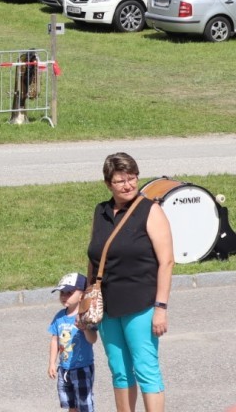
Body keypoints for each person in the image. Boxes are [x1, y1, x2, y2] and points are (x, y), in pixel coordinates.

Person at [86, 152, 173, 412]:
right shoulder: (101, 212)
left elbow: (167, 262)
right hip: (107, 307)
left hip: (141, 305)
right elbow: (94, 257)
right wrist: (87, 299)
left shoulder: (151, 211)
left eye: (132, 178)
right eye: (120, 181)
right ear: (108, 184)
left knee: (146, 369)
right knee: (120, 371)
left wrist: (161, 307)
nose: (128, 185)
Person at [47, 271, 98, 412]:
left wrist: (85, 328)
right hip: (64, 368)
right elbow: (55, 340)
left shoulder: (85, 316)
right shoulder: (59, 316)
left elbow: (93, 339)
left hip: (82, 368)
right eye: (61, 293)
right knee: (70, 404)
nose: (64, 296)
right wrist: (52, 363)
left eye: (69, 292)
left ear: (81, 295)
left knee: (85, 404)